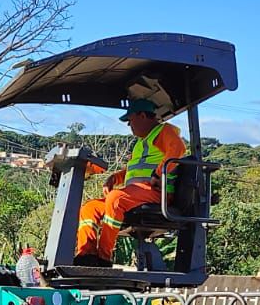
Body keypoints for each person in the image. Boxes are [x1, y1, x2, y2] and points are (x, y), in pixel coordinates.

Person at [74, 98, 186, 264]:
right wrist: (115, 178)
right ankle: (86, 256)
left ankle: (103, 258)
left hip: (156, 193)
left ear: (142, 115)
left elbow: (178, 149)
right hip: (135, 194)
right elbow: (133, 169)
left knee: (115, 198)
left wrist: (158, 174)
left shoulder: (163, 131)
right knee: (90, 208)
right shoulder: (142, 143)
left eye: (130, 120)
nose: (128, 125)